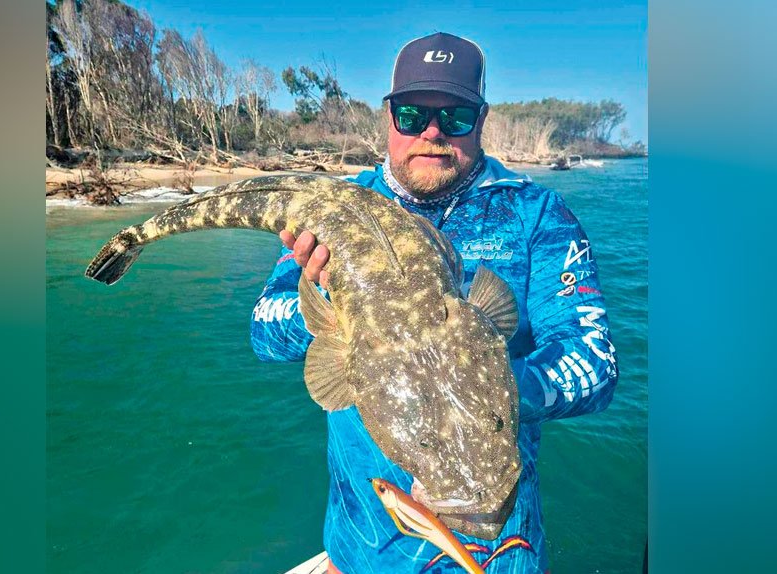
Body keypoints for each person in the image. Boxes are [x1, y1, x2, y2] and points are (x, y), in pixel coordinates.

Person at [250, 32, 618, 574]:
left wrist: (481, 386)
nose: (431, 133)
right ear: (388, 117)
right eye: (412, 114)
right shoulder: (339, 210)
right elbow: (263, 330)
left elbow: (597, 361)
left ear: (482, 120)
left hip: (500, 553)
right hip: (363, 551)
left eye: (456, 119)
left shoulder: (536, 214)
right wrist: (344, 307)